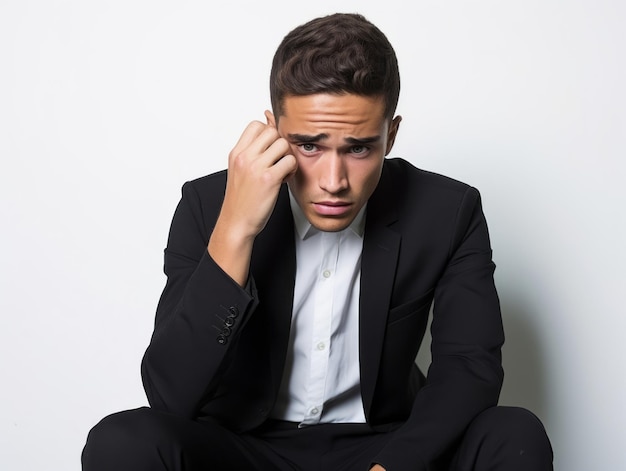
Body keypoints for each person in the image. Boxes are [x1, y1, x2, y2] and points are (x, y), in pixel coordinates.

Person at [82, 12, 553, 471]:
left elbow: (469, 368)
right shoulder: (209, 205)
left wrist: (395, 465)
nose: (334, 181)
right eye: (309, 145)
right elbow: (170, 395)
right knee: (122, 442)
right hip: (247, 445)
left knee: (514, 434)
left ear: (391, 134)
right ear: (273, 131)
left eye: (358, 148)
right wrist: (236, 229)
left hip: (384, 444)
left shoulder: (448, 211)